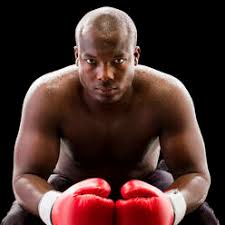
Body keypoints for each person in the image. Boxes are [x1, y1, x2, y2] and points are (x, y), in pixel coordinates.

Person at [1, 6, 220, 225]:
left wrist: (172, 206)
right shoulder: (47, 95)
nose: (105, 75)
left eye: (118, 61)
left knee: (204, 219)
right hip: (70, 186)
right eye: (91, 61)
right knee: (16, 220)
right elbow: (25, 176)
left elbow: (196, 174)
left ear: (135, 56)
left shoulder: (168, 95)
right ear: (77, 56)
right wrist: (55, 208)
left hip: (146, 183)